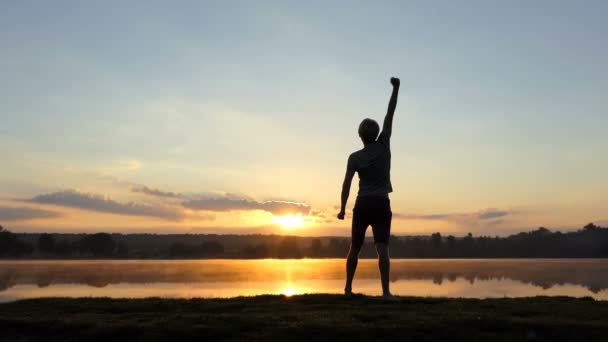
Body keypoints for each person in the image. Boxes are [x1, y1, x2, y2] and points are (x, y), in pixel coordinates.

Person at [337, 77, 400, 301]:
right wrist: (396, 89)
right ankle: (385, 293)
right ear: (375, 133)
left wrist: (342, 209)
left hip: (363, 203)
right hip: (381, 203)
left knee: (355, 247)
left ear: (359, 135)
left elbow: (346, 184)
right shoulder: (384, 145)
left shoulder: (354, 157)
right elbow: (389, 115)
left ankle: (347, 289)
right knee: (382, 248)